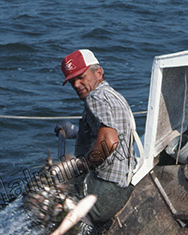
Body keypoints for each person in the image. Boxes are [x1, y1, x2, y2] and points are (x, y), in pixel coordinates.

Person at [53, 49, 136, 224]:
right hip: (119, 188)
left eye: (81, 77)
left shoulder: (95, 99)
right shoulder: (112, 95)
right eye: (72, 81)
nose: (76, 84)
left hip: (104, 194)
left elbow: (109, 142)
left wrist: (83, 165)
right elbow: (106, 132)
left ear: (98, 72)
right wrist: (74, 131)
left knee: (51, 190)